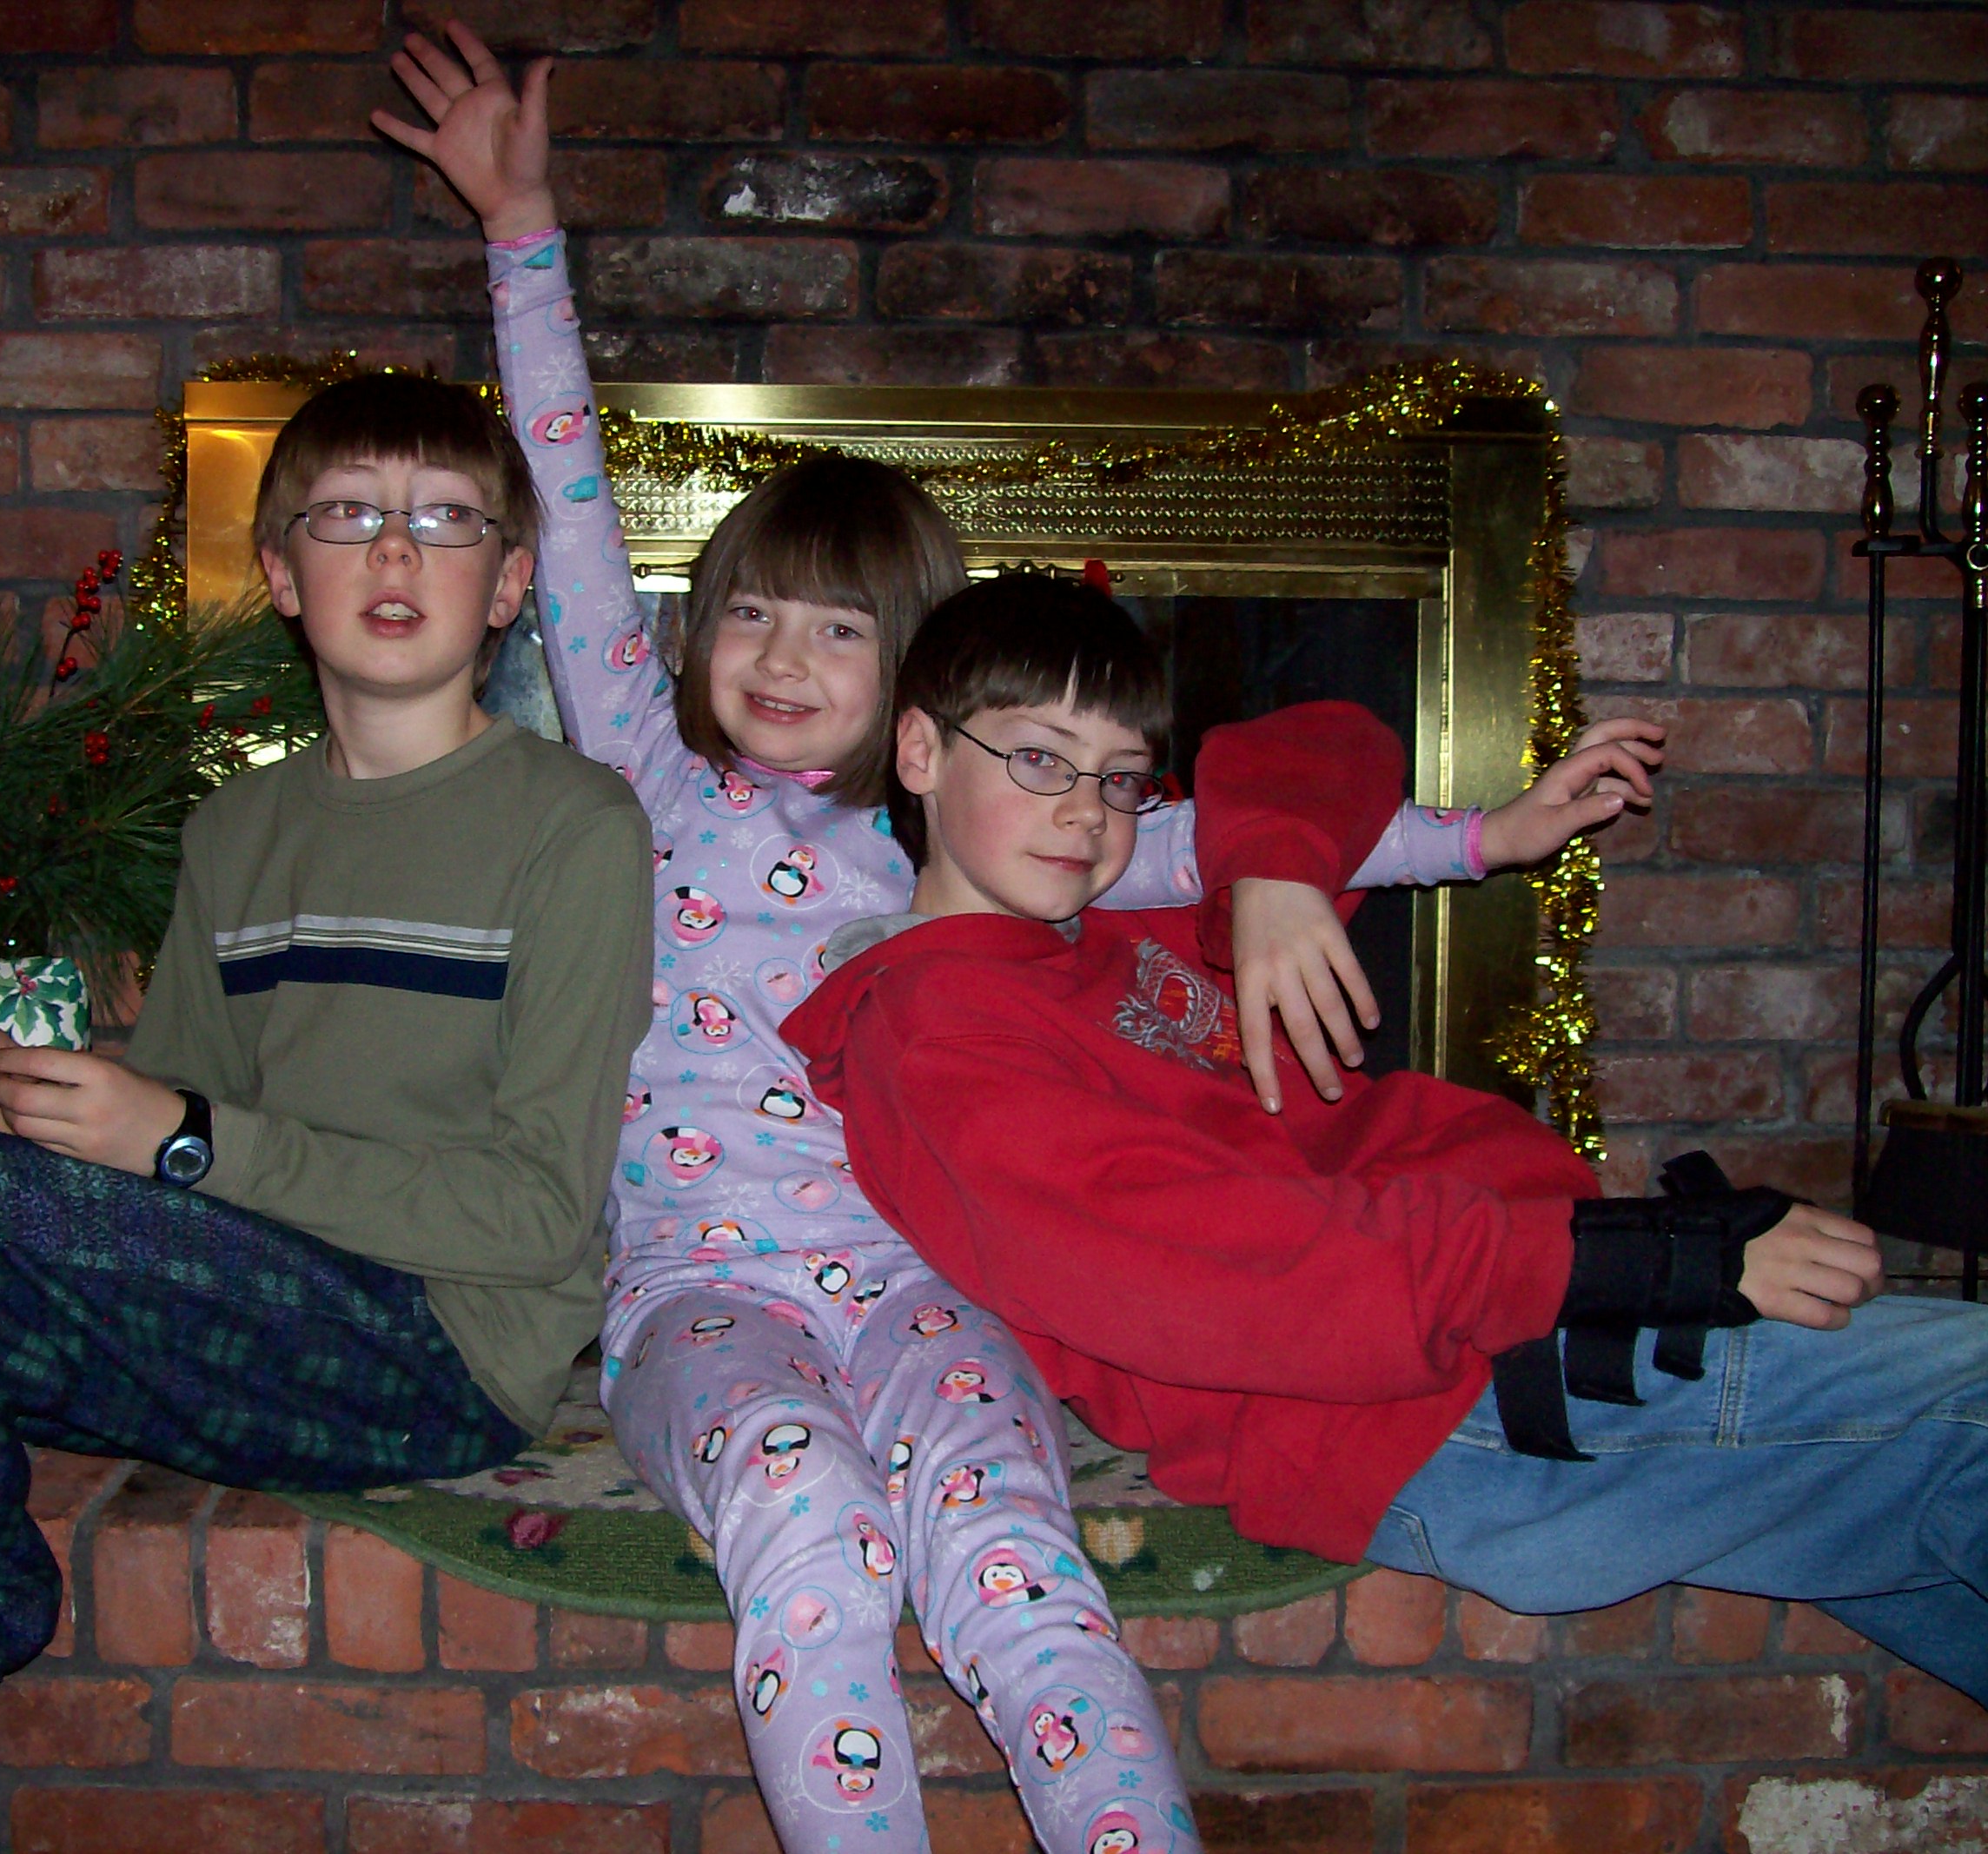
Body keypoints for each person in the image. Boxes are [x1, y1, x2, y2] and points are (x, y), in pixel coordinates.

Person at [372, 27, 1622, 1852]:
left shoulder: (953, 849)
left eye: (841, 630)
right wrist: (521, 233)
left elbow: (1189, 836)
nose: (784, 657)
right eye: (753, 614)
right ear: (698, 635)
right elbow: (566, 508)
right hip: (700, 1298)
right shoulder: (640, 784)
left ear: (915, 697)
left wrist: (1484, 835)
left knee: (1011, 1547)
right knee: (808, 1513)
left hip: (923, 1288)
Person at [0, 371, 654, 1854]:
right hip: (263, 1287)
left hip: (439, 1345)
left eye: (446, 519)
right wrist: (28, 1120)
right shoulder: (238, 827)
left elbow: (534, 1214)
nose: (396, 551)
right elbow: (183, 1138)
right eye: (349, 516)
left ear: (510, 582)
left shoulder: (574, 827)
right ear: (282, 574)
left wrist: (182, 1136)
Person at [782, 573, 1988, 1707]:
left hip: (1494, 1323)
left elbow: (1331, 737)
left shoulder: (1105, 936)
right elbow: (1230, 1276)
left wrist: (1273, 875)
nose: (1085, 812)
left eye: (1121, 778)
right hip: (1435, 1409)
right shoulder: (936, 1032)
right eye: (1040, 759)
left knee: (1938, 1546)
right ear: (921, 752)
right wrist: (1650, 1261)